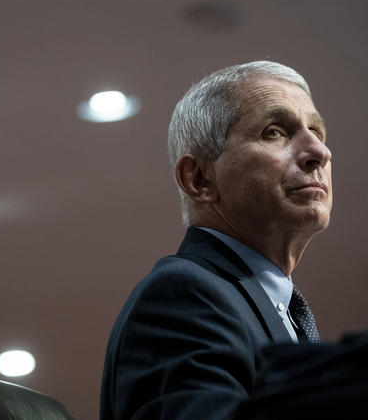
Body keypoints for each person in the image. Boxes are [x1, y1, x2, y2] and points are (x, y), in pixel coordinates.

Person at [100, 61, 334, 419]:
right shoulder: (183, 295)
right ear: (199, 179)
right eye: (275, 132)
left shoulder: (277, 309)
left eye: (317, 131)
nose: (319, 151)